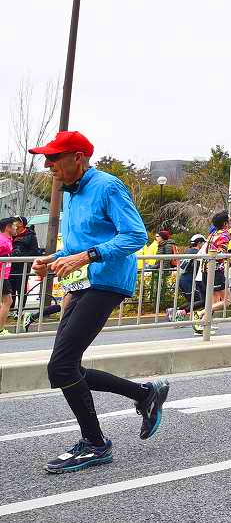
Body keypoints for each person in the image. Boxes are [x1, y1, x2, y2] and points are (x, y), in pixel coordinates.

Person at [27, 131, 169, 473]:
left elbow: (135, 236)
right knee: (65, 367)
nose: (48, 165)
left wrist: (85, 257)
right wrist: (53, 258)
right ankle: (143, 393)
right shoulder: (71, 195)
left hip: (106, 281)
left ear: (78, 157)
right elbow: (80, 245)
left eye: (53, 158)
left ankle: (96, 444)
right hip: (83, 281)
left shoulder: (108, 186)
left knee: (61, 367)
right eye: (46, 159)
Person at [0, 217, 15, 335]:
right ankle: (0, 329)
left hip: (4, 275)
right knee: (8, 301)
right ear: (7, 227)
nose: (15, 228)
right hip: (1, 276)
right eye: (13, 225)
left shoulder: (7, 240)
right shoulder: (3, 242)